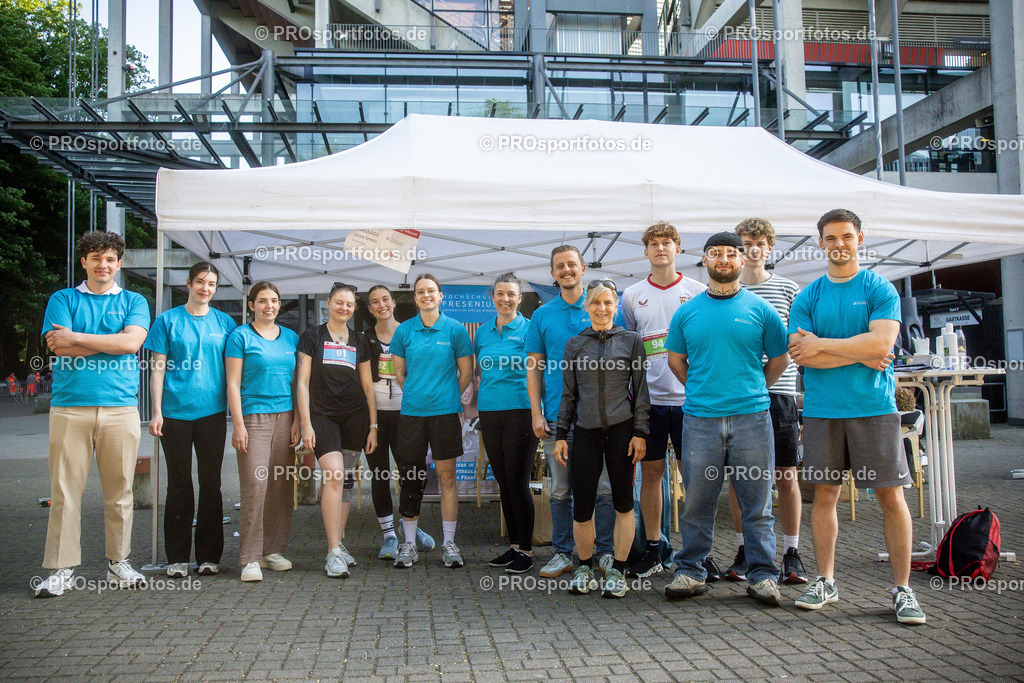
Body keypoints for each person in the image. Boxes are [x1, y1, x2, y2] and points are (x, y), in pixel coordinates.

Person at [789, 208, 925, 625]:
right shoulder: (808, 296)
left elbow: (881, 345)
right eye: (830, 238)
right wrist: (860, 350)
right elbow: (802, 355)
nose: (839, 244)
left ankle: (903, 589)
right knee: (825, 496)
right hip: (822, 410)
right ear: (821, 243)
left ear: (860, 239)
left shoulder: (879, 288)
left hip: (874, 408)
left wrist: (825, 345)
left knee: (891, 497)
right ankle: (826, 581)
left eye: (846, 236)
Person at [663, 232, 790, 606]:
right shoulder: (687, 312)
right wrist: (701, 390)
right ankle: (690, 571)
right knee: (697, 503)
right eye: (715, 253)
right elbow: (675, 361)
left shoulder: (761, 309)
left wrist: (754, 389)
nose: (723, 259)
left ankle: (763, 576)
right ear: (704, 260)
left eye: (731, 254)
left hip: (752, 419)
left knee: (757, 506)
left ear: (741, 259)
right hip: (700, 421)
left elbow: (780, 359)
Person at [35, 231, 150, 597]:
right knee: (65, 492)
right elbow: (60, 348)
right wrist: (110, 342)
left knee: (120, 492)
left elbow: (131, 343)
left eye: (110, 259)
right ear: (83, 262)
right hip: (70, 408)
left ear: (119, 264)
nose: (103, 264)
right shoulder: (62, 299)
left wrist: (78, 337)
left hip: (120, 407)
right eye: (96, 258)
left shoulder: (134, 300)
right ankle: (62, 568)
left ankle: (119, 563)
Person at [617, 221, 706, 580]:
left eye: (667, 242)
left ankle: (697, 553)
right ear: (646, 252)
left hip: (690, 402)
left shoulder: (698, 291)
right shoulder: (631, 295)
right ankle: (654, 548)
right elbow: (626, 346)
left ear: (678, 249)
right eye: (654, 243)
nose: (660, 248)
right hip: (649, 403)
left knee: (694, 478)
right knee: (651, 474)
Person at [722, 218, 808, 584]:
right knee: (739, 478)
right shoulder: (727, 290)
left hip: (780, 395)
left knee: (786, 475)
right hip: (739, 397)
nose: (753, 248)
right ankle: (745, 550)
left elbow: (799, 340)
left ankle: (792, 552)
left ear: (769, 247)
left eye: (759, 242)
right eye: (745, 243)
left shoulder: (788, 289)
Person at [526, 245, 617, 579]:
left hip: (602, 417)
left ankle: (605, 553)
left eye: (572, 265)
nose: (566, 270)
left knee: (604, 489)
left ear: (583, 269)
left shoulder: (601, 306)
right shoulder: (542, 315)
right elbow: (533, 367)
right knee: (561, 490)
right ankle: (563, 553)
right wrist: (536, 413)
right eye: (559, 266)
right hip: (557, 417)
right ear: (553, 274)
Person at [555, 279, 649, 598]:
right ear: (587, 306)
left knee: (623, 502)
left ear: (616, 306)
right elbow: (568, 394)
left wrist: (640, 432)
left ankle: (618, 571)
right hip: (585, 432)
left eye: (608, 302)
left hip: (622, 431)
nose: (602, 308)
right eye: (595, 302)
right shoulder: (575, 344)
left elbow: (641, 391)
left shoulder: (631, 341)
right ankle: (584, 567)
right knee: (582, 505)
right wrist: (561, 434)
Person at [146, 262, 237, 578]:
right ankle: (177, 558)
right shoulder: (166, 321)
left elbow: (234, 370)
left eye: (211, 284)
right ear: (188, 283)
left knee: (211, 484)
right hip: (174, 414)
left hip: (212, 414)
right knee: (179, 484)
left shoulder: (225, 323)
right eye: (200, 282)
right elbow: (157, 369)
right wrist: (156, 411)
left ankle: (209, 556)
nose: (205, 288)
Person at [390, 274, 474, 569]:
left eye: (431, 290)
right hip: (412, 414)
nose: (426, 295)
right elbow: (400, 374)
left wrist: (447, 395)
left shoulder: (455, 329)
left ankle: (449, 544)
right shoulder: (404, 331)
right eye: (420, 291)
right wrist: (418, 394)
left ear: (441, 296)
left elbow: (466, 372)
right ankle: (409, 545)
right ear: (415, 298)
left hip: (445, 414)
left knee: (447, 478)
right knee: (412, 478)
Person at [225, 281, 300, 582]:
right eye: (263, 301)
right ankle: (250, 558)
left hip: (286, 416)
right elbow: (232, 383)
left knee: (281, 487)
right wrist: (238, 424)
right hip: (253, 416)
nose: (269, 306)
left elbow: (297, 383)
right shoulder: (240, 337)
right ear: (251, 305)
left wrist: (297, 420)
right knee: (256, 486)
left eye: (274, 301)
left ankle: (272, 551)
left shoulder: (291, 337)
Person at [364, 285, 436, 560]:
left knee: (412, 473)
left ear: (394, 303)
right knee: (380, 475)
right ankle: (389, 536)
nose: (381, 305)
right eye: (375, 302)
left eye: (385, 299)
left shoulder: (409, 332)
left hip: (408, 413)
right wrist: (371, 424)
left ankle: (410, 526)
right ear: (370, 309)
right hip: (375, 416)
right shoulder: (365, 338)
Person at [475, 273, 539, 575]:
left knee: (518, 482)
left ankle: (526, 551)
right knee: (503, 481)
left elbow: (538, 371)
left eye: (511, 294)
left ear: (520, 299)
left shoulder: (530, 329)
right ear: (492, 297)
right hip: (489, 411)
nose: (505, 299)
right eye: (500, 293)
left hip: (521, 411)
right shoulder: (482, 332)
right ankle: (514, 546)